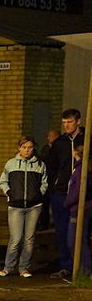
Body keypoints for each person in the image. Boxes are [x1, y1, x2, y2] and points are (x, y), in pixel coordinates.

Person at [0, 136, 48, 278]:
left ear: (33, 148)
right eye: (24, 147)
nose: (27, 150)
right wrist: (9, 193)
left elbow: (44, 182)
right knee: (16, 239)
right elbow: (3, 181)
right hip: (16, 206)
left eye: (30, 147)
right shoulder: (11, 164)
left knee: (29, 239)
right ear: (19, 148)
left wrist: (39, 194)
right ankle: (8, 267)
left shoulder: (40, 165)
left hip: (34, 206)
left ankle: (24, 268)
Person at [45, 109, 86, 279]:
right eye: (64, 123)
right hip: (60, 193)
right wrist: (53, 186)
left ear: (78, 121)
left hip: (81, 193)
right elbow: (51, 167)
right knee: (62, 231)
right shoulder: (59, 143)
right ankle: (66, 266)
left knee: (80, 232)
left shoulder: (87, 139)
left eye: (70, 122)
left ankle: (82, 267)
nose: (67, 126)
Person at [64, 144, 91, 278]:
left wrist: (67, 202)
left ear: (75, 153)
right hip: (82, 208)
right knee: (78, 241)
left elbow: (78, 190)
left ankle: (85, 271)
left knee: (75, 241)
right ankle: (83, 271)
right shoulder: (81, 167)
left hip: (79, 209)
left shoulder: (81, 169)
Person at [37, 129, 60, 230]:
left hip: (55, 178)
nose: (48, 138)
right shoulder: (46, 148)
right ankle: (44, 223)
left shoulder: (59, 148)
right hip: (46, 177)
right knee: (44, 202)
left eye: (50, 136)